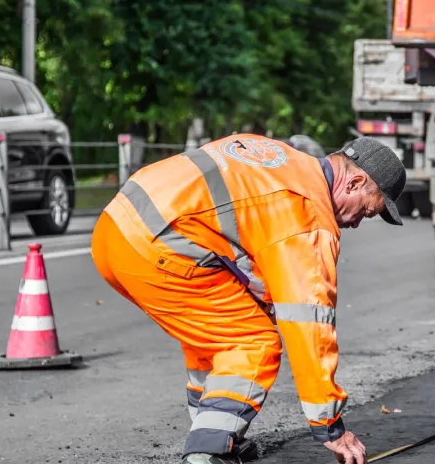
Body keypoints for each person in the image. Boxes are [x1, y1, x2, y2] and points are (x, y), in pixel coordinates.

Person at [91, 134, 406, 464]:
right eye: (367, 211)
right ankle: (206, 453)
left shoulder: (282, 158)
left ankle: (214, 430)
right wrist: (330, 426)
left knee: (216, 335)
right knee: (255, 343)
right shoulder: (310, 215)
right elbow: (310, 326)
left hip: (116, 227)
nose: (357, 223)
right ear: (355, 183)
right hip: (156, 245)